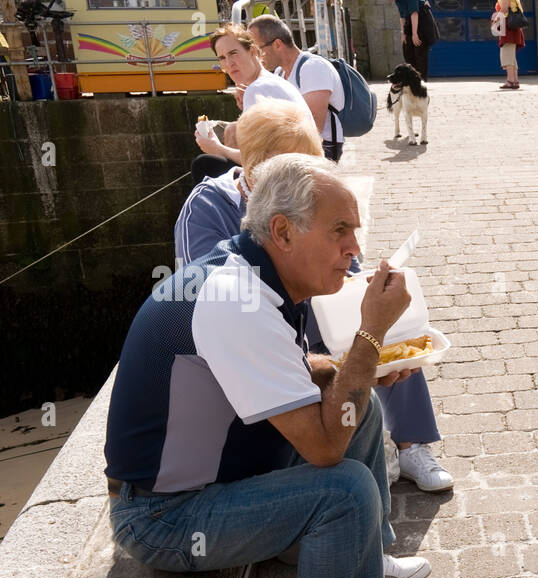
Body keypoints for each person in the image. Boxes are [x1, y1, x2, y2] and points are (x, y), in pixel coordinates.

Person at [107, 154, 430, 578]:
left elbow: (295, 370)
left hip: (222, 482)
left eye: (355, 230)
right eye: (339, 231)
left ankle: (365, 558)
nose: (355, 248)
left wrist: (360, 369)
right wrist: (371, 334)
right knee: (344, 490)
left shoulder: (253, 273)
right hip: (162, 515)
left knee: (362, 406)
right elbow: (326, 450)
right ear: (282, 231)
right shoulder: (235, 300)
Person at [177, 101, 455, 495]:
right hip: (263, 331)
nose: (306, 177)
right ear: (258, 166)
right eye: (294, 166)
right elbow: (210, 291)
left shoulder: (307, 199)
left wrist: (359, 291)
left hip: (308, 317)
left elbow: (344, 268)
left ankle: (410, 445)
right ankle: (353, 482)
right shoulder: (210, 210)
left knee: (387, 329)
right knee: (366, 343)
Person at [193, 24, 307, 182]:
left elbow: (258, 160)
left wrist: (216, 148)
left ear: (252, 51)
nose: (229, 63)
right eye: (223, 58)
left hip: (288, 177)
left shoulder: (258, 89)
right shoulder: (269, 82)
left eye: (234, 53)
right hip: (299, 169)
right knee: (231, 132)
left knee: (204, 164)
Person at [249, 15, 345, 163]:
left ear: (277, 44)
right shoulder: (279, 73)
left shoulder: (313, 68)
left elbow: (313, 127)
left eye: (257, 50)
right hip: (294, 147)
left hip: (321, 147)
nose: (255, 57)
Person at [397, 0, 436, 80]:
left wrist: (415, 34)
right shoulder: (397, 1)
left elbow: (414, 13)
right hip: (410, 22)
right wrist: (403, 33)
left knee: (419, 51)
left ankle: (421, 82)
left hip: (423, 22)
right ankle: (412, 80)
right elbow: (402, 16)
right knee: (407, 50)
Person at [492, 0, 526, 89]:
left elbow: (504, 10)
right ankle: (515, 81)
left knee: (507, 54)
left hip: (507, 26)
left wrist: (495, 22)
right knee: (511, 56)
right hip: (513, 26)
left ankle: (510, 81)